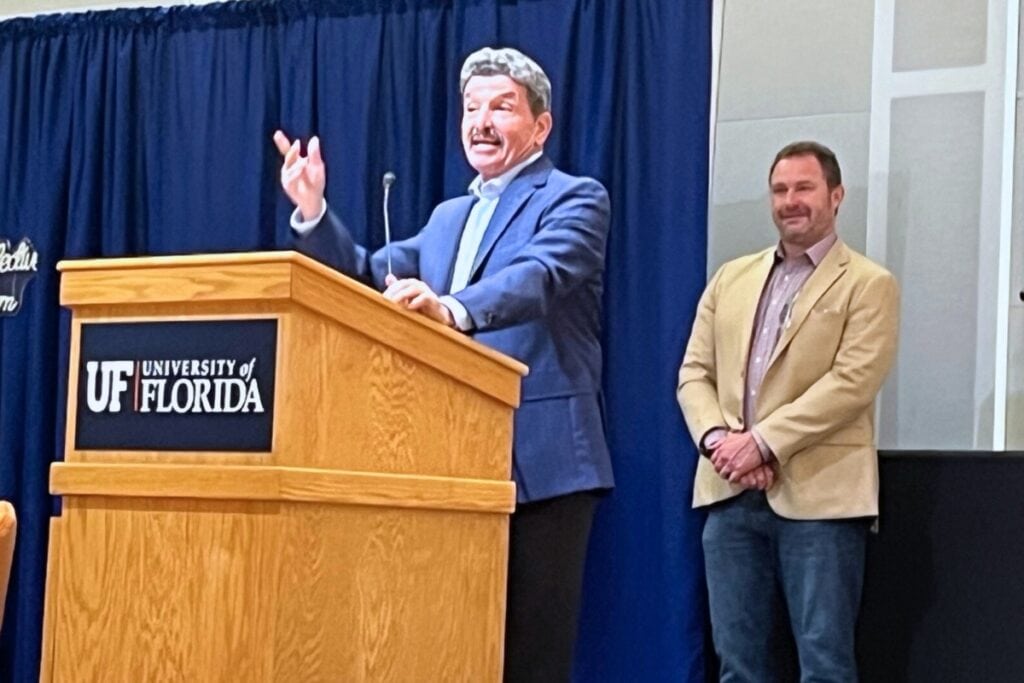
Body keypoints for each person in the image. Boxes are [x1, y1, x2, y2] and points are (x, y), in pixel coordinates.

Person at [274, 46, 612, 682]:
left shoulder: (574, 198)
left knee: (529, 658)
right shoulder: (447, 217)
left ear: (541, 126)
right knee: (452, 644)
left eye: (501, 107)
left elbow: (540, 276)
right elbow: (365, 277)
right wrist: (315, 212)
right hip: (445, 461)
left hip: (542, 461)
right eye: (471, 108)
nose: (481, 122)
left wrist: (452, 309)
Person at [678, 141, 900, 682]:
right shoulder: (731, 277)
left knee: (824, 664)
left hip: (821, 502)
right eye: (780, 189)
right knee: (737, 666)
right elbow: (693, 374)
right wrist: (719, 444)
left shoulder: (870, 284)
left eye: (804, 187)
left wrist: (760, 443)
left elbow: (851, 383)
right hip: (729, 494)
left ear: (836, 195)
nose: (790, 200)